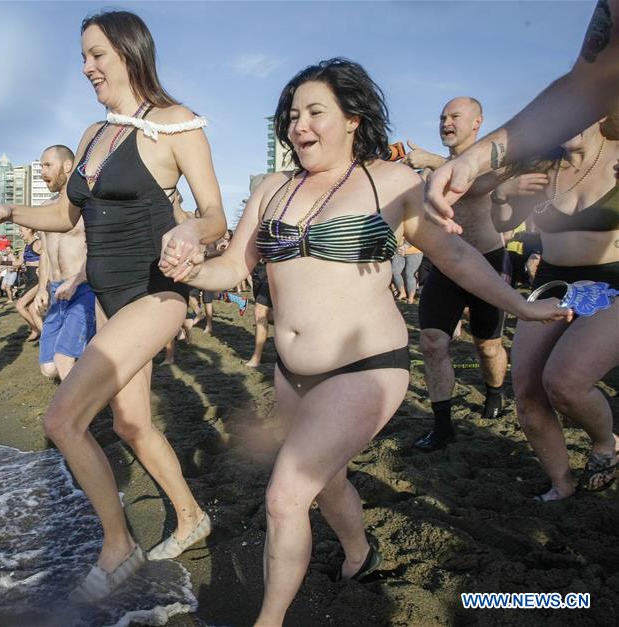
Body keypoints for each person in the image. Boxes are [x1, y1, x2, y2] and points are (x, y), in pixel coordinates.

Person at [160, 58, 570, 626]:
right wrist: (187, 270)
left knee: (285, 497)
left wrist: (523, 306)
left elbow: (455, 256)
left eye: (315, 112)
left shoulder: (392, 182)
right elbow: (232, 267)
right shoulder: (273, 189)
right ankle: (360, 553)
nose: (299, 124)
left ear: (352, 118)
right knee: (326, 482)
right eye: (292, 114)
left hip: (366, 366)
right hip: (291, 371)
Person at [0, 10, 225, 601]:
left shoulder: (176, 124)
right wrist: (8, 212)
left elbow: (212, 212)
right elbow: (67, 214)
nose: (86, 67)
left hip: (154, 292)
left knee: (62, 419)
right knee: (131, 422)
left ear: (130, 53)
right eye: (83, 57)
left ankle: (119, 547)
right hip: (108, 297)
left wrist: (194, 234)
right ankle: (190, 516)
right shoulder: (92, 133)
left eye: (97, 55)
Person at [490, 119, 619, 500]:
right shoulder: (543, 168)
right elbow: (504, 223)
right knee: (528, 394)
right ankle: (561, 485)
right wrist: (502, 194)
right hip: (553, 283)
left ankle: (604, 443)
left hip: (612, 283)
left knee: (565, 384)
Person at [426, 0, 619, 231]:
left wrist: (431, 160)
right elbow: (584, 87)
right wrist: (473, 163)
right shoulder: (543, 166)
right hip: (548, 267)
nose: (570, 126)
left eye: (454, 117)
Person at [408, 98, 511, 451]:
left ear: (477, 122)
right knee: (433, 342)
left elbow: (479, 185)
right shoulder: (431, 171)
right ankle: (442, 425)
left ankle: (494, 393)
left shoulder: (489, 156)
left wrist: (431, 162)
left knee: (487, 346)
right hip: (445, 263)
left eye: (454, 116)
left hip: (487, 261)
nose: (446, 122)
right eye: (441, 117)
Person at [32, 145, 97, 381]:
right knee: (49, 368)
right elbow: (46, 255)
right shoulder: (45, 209)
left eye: (48, 165)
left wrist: (75, 280)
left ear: (67, 166)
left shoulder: (86, 207)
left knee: (63, 360)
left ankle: (78, 416)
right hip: (54, 289)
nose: (42, 171)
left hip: (82, 288)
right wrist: (41, 289)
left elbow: (97, 251)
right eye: (41, 166)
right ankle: (89, 381)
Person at [15, 226, 44, 340]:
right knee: (32, 309)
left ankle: (37, 329)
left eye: (21, 231)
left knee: (20, 306)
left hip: (37, 279)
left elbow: (49, 256)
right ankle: (41, 332)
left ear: (29, 229)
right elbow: (18, 262)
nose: (20, 233)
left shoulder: (38, 243)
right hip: (29, 279)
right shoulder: (26, 246)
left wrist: (42, 267)